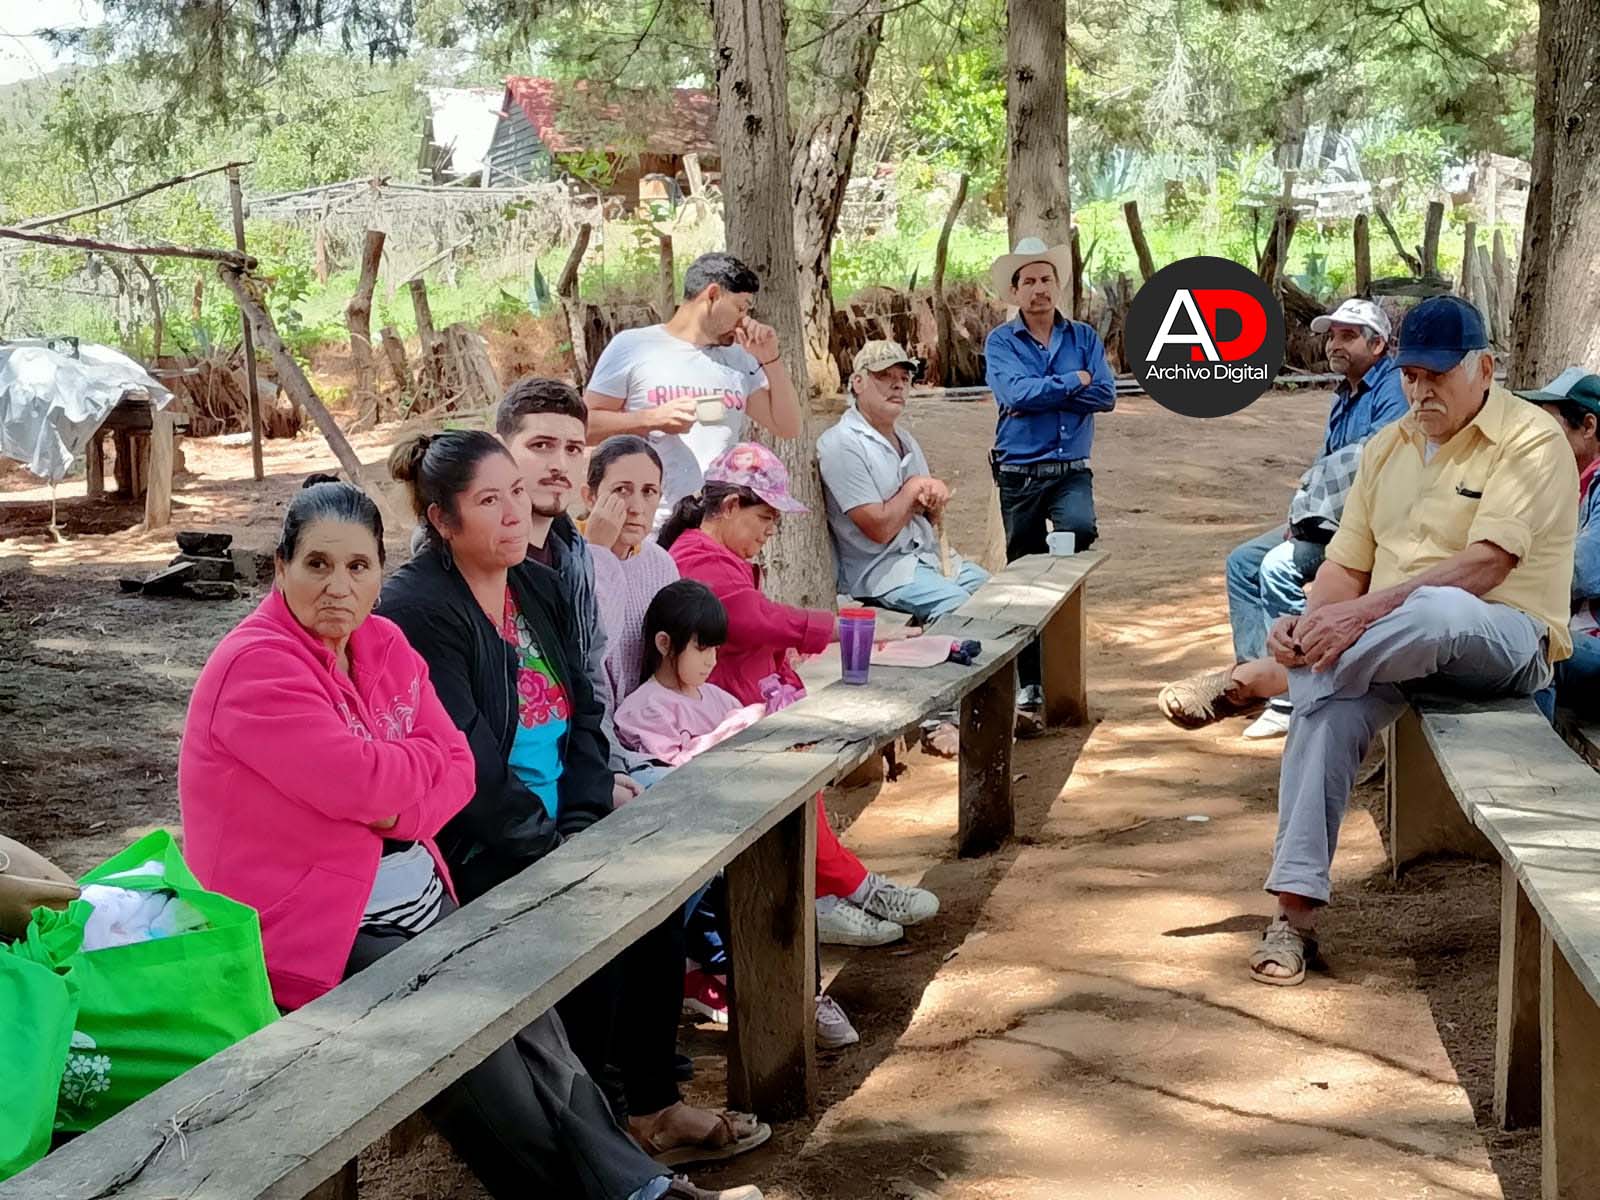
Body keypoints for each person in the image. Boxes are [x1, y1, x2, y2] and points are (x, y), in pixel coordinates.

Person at [179, 478, 760, 1200]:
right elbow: (369, 784)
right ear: (280, 567)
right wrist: (401, 787)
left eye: (358, 566)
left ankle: (643, 1188)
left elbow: (454, 767)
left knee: (532, 1021)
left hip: (416, 899)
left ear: (380, 571)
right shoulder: (256, 666)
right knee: (469, 1044)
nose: (338, 586)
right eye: (317, 565)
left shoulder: (382, 641)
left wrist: (400, 799)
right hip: (314, 932)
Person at [378, 432, 770, 1168]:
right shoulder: (418, 608)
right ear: (441, 519)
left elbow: (588, 711)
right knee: (585, 918)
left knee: (653, 894)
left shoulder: (537, 584)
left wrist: (585, 823)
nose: (512, 513)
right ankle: (603, 1131)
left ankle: (652, 1107)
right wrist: (554, 848)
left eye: (515, 493)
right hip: (475, 843)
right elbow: (469, 766)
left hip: (562, 821)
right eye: (487, 501)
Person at [1235, 296, 1575, 987]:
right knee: (1325, 708)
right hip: (1390, 651)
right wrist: (1308, 625)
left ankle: (1273, 679)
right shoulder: (1388, 447)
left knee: (1438, 608)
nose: (1421, 391)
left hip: (1502, 641)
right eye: (1411, 375)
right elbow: (1344, 569)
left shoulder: (1532, 441)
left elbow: (1487, 567)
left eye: (1437, 375)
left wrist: (1354, 619)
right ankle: (1293, 918)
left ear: (1485, 369)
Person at [660, 442, 942, 966]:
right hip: (722, 713)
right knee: (791, 791)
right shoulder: (699, 558)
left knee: (802, 793)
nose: (771, 530)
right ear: (729, 506)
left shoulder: (717, 555)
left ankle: (831, 892)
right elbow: (751, 620)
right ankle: (849, 888)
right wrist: (834, 628)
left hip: (746, 701)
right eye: (765, 517)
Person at [1159, 298, 1408, 739]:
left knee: (1277, 567)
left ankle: (1291, 693)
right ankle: (1253, 679)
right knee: (1242, 561)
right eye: (1332, 336)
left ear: (1378, 344)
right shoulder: (1344, 395)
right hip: (1328, 519)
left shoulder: (1392, 390)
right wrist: (1303, 513)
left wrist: (1314, 507)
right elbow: (1327, 464)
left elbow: (1374, 460)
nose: (1335, 344)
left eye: (1348, 336)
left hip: (1366, 527)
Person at [494, 376, 645, 806]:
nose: (559, 464)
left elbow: (590, 673)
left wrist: (609, 768)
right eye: (541, 445)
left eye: (573, 449)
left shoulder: (573, 554)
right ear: (499, 450)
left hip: (582, 767)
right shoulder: (476, 559)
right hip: (512, 798)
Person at [983, 236, 1116, 721]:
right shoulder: (1001, 342)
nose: (1039, 289)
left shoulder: (1084, 338)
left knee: (1078, 532)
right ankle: (1032, 684)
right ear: (1015, 291)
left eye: (1046, 279)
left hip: (1071, 471)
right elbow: (1014, 395)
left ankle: (1063, 679)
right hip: (1018, 474)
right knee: (1023, 578)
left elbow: (1105, 395)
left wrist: (1049, 390)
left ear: (1058, 285)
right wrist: (1073, 381)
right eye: (1030, 281)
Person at [583, 252, 802, 529]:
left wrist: (770, 358)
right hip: (647, 525)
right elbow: (584, 426)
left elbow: (788, 426)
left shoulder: (739, 358)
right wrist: (650, 419)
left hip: (713, 529)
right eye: (740, 308)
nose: (743, 320)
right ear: (712, 295)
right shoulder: (633, 346)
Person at [818, 339, 988, 623]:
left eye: (904, 378)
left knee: (998, 594)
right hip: (883, 572)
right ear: (858, 382)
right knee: (959, 608)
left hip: (928, 557)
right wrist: (913, 489)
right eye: (885, 376)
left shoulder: (905, 439)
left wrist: (933, 498)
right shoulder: (841, 444)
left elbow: (927, 517)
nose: (897, 385)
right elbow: (879, 528)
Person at [1515, 368, 1600, 718]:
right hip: (1585, 636)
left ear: (1589, 426)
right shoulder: (1576, 482)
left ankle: (1532, 754)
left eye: (1550, 427)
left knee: (1536, 645)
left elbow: (1580, 571)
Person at [584, 434, 683, 710]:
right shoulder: (568, 558)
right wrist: (598, 551)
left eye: (649, 491)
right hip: (591, 718)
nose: (636, 508)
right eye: (621, 490)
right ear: (590, 497)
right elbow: (590, 647)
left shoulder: (661, 565)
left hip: (650, 717)